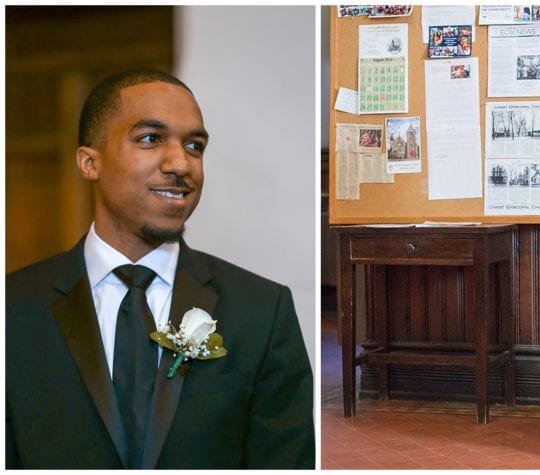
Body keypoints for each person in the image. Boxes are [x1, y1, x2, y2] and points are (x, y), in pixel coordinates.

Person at [5, 70, 314, 468]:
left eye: (194, 145)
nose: (180, 163)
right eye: (150, 139)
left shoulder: (261, 310)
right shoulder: (12, 309)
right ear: (89, 162)